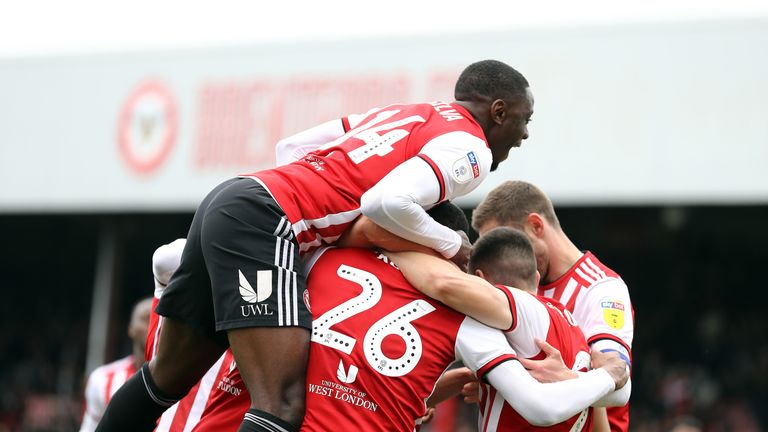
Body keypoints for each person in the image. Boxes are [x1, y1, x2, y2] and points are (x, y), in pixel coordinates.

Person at [96, 59, 535, 432]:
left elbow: (292, 146)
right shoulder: (470, 148)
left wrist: (310, 199)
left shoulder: (413, 112)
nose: (525, 135)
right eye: (524, 119)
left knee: (162, 382)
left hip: (237, 198)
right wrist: (450, 243)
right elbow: (384, 202)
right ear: (498, 111)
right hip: (264, 224)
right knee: (282, 405)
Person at [301, 204, 629, 431]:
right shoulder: (569, 322)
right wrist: (596, 380)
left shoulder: (322, 259)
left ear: (481, 279)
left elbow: (443, 283)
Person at [389, 227, 632, 431]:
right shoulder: (573, 326)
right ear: (536, 278)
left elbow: (443, 284)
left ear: (480, 281)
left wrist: (386, 249)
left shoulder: (525, 308)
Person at [471, 180, 634, 431]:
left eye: (509, 241)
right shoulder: (517, 285)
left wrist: (567, 378)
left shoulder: (601, 290)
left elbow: (619, 386)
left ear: (536, 225)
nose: (500, 256)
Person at [80, 297, 152, 432]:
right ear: (131, 328)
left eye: (158, 319)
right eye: (146, 319)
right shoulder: (102, 379)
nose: (152, 324)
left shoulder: (186, 380)